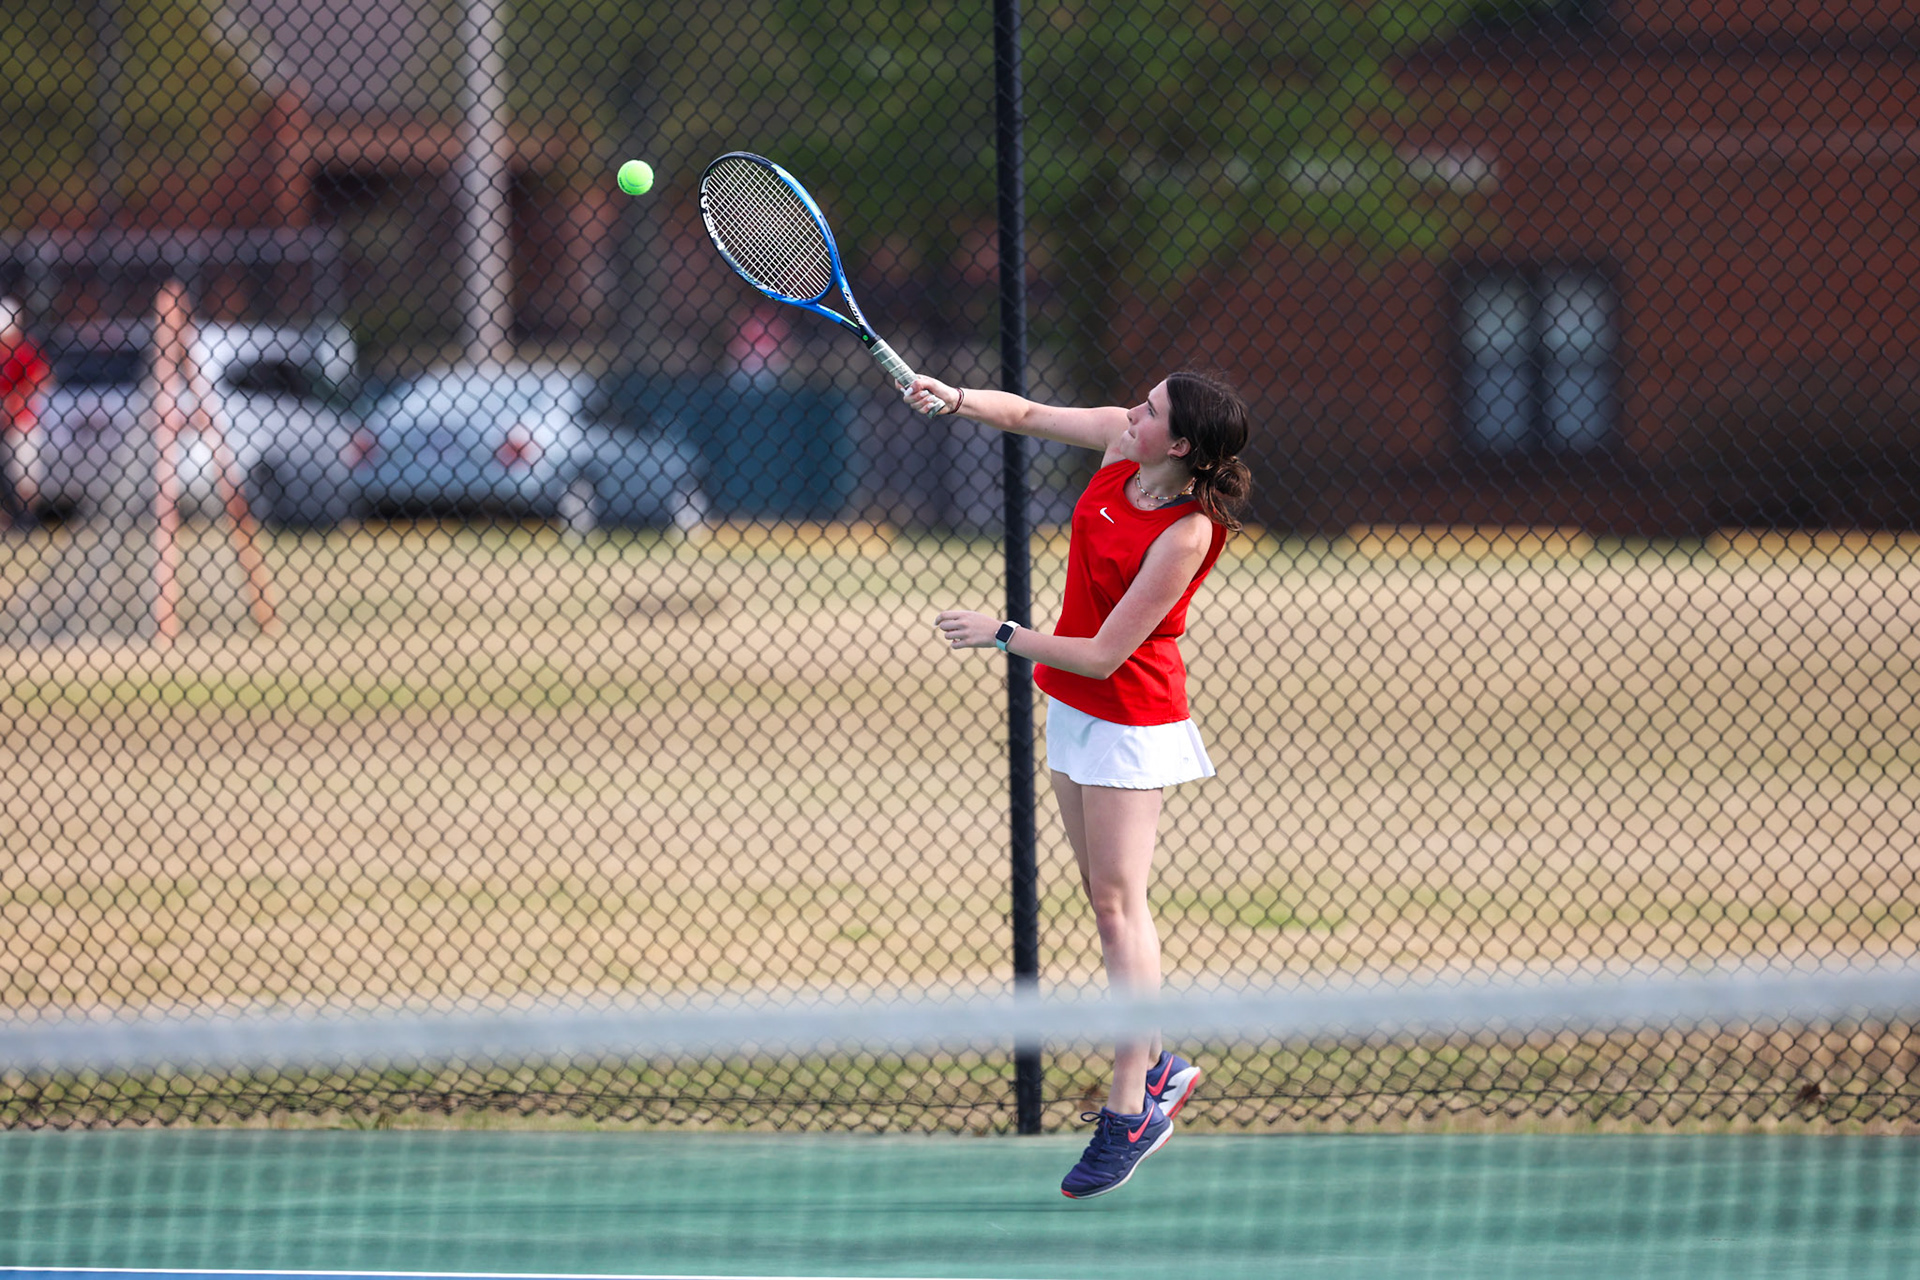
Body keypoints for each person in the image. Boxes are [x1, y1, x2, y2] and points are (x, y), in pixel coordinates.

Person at [909, 368, 1252, 1199]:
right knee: (1105, 901)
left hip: (1132, 720)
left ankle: (1131, 1110)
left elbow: (1104, 652)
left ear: (1179, 445)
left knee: (1116, 906)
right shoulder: (1118, 446)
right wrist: (950, 397)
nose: (1132, 411)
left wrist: (1003, 634)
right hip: (1072, 708)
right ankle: (1161, 1063)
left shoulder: (1188, 532)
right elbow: (1024, 412)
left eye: (1151, 410)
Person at [0, 297, 50, 531]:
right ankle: (10, 518)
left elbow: (41, 375)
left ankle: (26, 517)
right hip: (4, 421)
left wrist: (19, 398)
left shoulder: (23, 349)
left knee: (24, 472)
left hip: (22, 421)